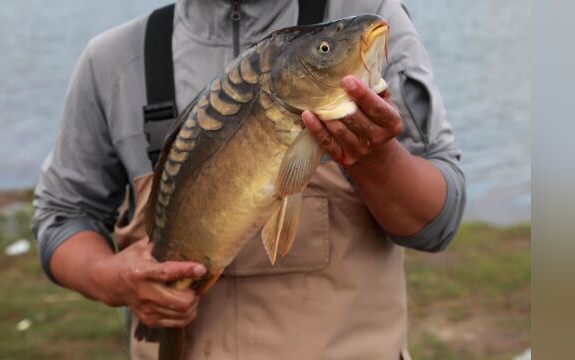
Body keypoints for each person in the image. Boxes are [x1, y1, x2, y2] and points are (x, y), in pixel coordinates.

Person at [32, 0, 466, 358]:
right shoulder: (113, 60)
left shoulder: (369, 20)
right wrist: (111, 277)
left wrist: (376, 160)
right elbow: (63, 215)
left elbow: (438, 224)